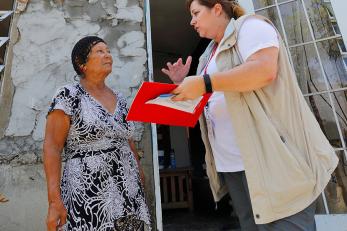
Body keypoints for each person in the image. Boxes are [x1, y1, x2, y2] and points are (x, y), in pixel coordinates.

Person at [161, 0, 339, 230]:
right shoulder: (207, 55)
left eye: (196, 13)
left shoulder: (250, 27)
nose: (191, 21)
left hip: (270, 158)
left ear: (217, 8)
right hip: (232, 165)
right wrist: (182, 85)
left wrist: (204, 83)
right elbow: (210, 102)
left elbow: (263, 71)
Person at [43, 36, 151, 231]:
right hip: (88, 194)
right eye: (100, 51)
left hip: (128, 191)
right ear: (80, 62)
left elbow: (128, 141)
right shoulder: (68, 95)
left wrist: (140, 175)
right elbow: (52, 147)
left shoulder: (120, 99)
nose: (108, 55)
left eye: (108, 51)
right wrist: (54, 201)